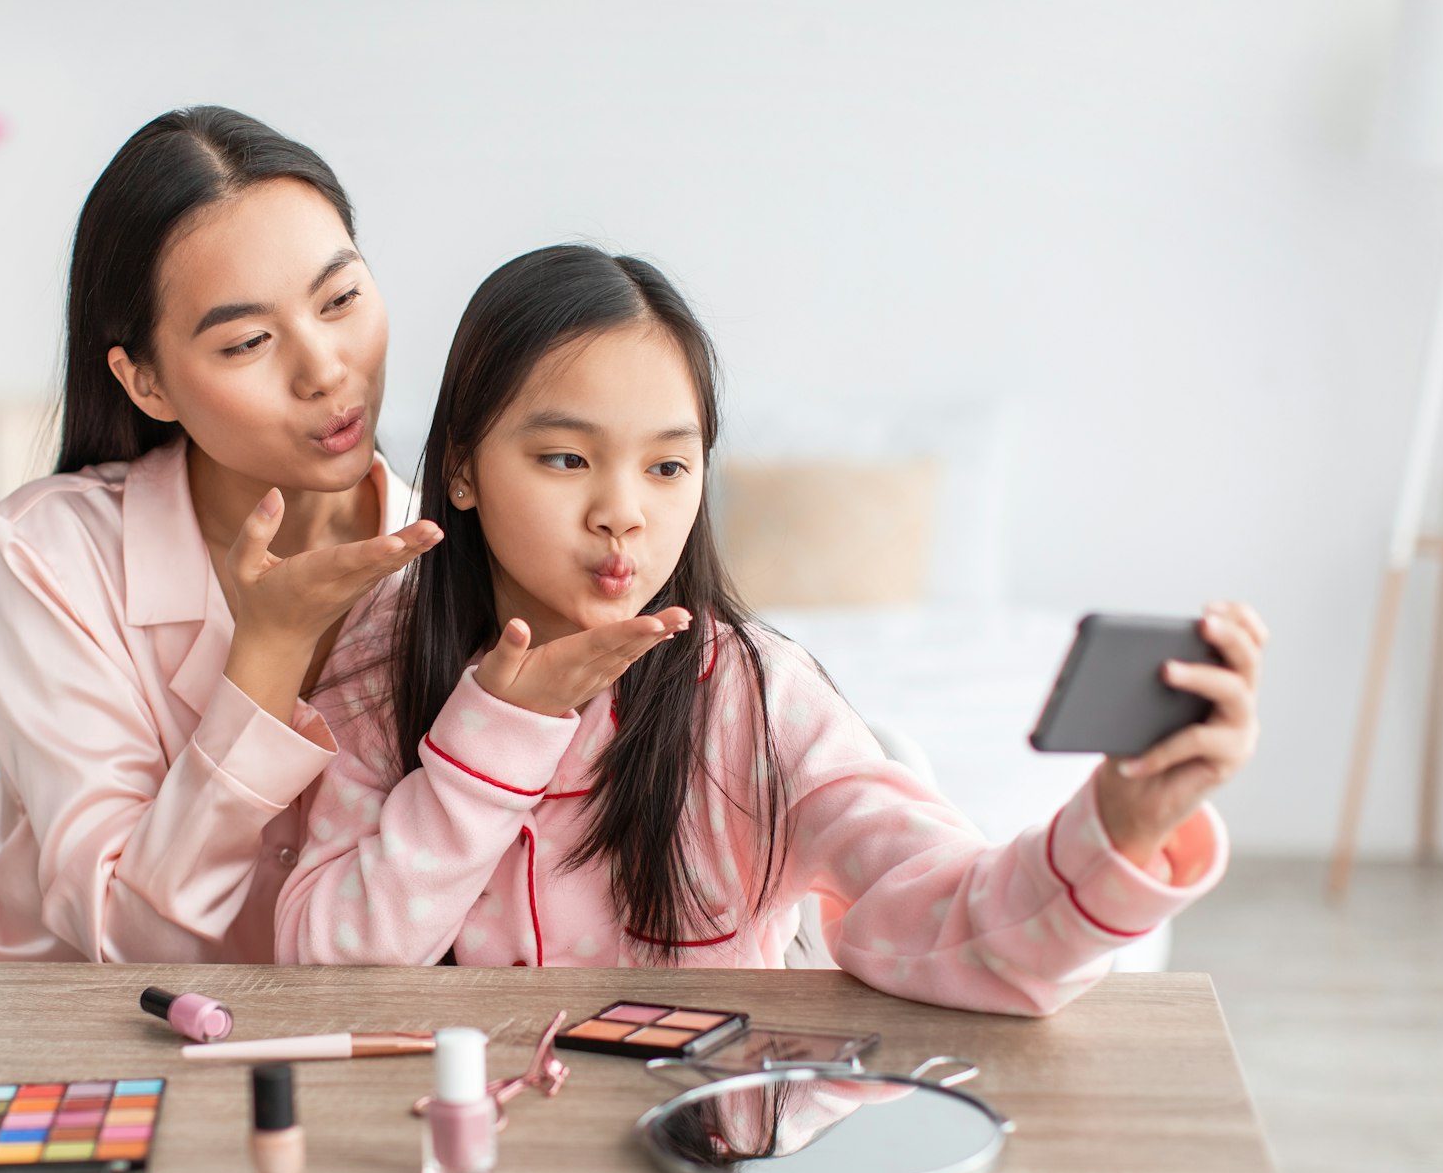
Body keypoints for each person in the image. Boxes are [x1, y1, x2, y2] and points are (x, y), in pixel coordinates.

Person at [276, 244, 1266, 1015]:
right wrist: (493, 730)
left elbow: (951, 927)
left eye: (667, 467)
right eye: (566, 459)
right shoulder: (377, 663)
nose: (623, 513)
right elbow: (320, 963)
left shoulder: (752, 698)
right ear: (459, 469)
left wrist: (1122, 830)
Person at [0, 107, 439, 964]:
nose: (324, 369)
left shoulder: (453, 559)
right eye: (248, 341)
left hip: (315, 1053)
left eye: (341, 298)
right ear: (146, 381)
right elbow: (127, 940)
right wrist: (263, 660)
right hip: (47, 1039)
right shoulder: (52, 553)